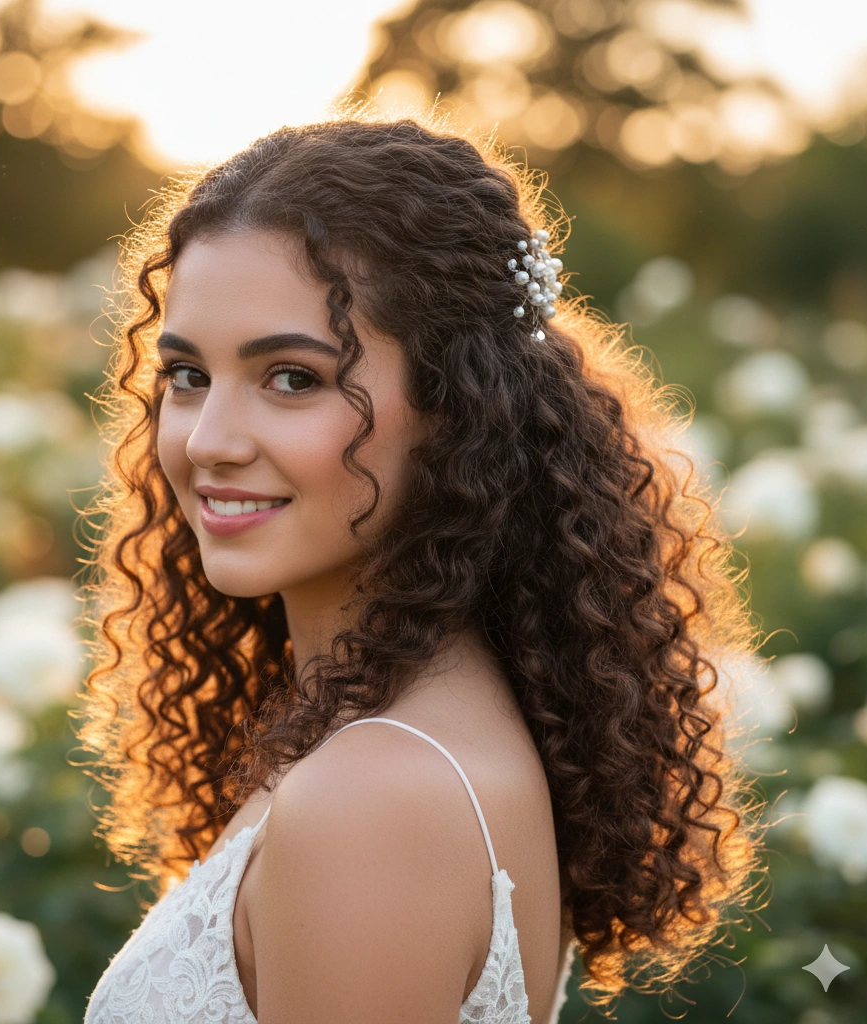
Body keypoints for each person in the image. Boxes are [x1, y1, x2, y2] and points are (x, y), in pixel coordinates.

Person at [76, 110, 767, 1024]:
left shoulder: (374, 797)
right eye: (188, 376)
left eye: (293, 378)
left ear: (458, 406)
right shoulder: (414, 729)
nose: (207, 441)